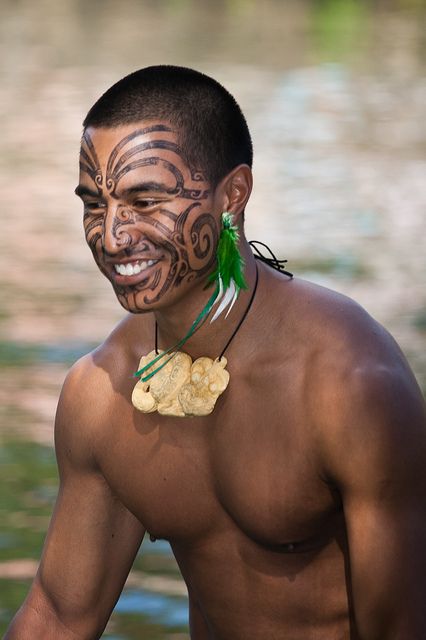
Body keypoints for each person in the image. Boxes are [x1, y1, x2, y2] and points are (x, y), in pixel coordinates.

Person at [5, 65, 426, 640]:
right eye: (94, 205)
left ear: (233, 195)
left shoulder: (345, 382)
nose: (112, 236)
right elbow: (58, 617)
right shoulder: (101, 393)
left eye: (146, 200)